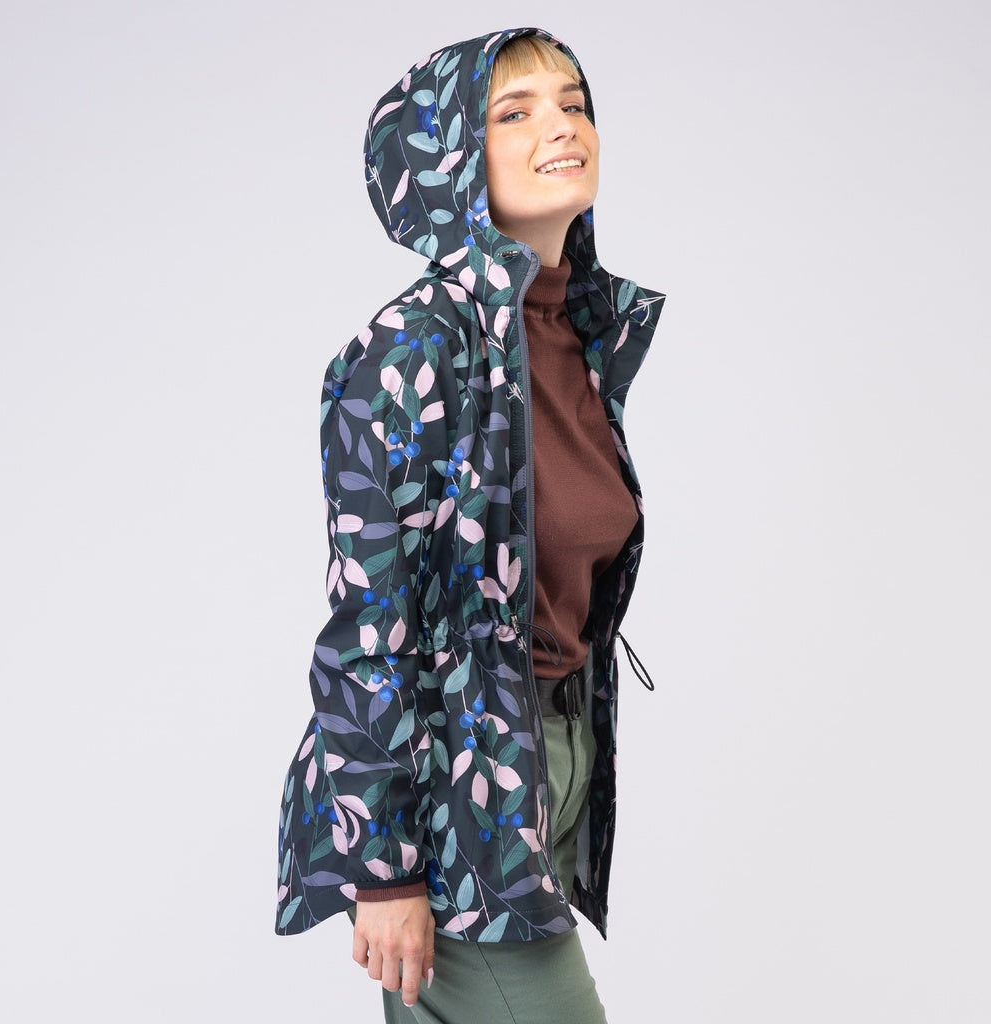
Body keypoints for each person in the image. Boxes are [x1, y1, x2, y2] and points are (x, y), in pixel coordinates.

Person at [274, 26, 665, 1023]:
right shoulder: (409, 353)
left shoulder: (573, 335)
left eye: (573, 103)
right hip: (453, 794)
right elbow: (368, 623)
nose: (561, 126)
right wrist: (384, 868)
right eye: (515, 112)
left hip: (549, 754)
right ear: (448, 160)